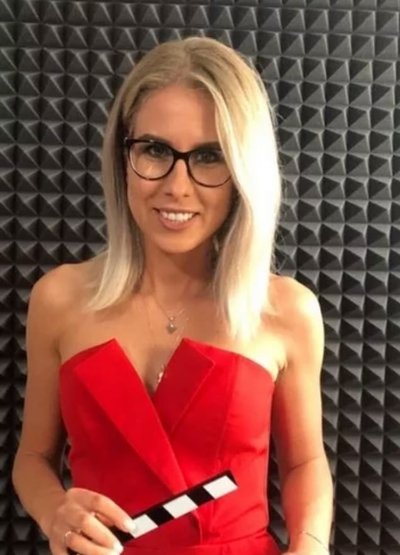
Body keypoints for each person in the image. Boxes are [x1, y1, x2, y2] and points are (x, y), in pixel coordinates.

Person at [12, 36, 333, 555]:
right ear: (123, 156)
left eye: (209, 156)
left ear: (242, 171)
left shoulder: (287, 311)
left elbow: (304, 463)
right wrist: (55, 513)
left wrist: (311, 546)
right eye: (156, 150)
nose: (177, 186)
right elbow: (32, 459)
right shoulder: (59, 300)